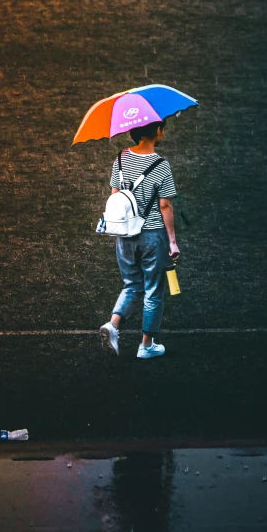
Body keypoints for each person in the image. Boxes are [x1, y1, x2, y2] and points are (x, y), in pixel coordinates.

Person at [99, 120, 179, 359]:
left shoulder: (121, 158)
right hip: (152, 236)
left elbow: (115, 197)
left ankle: (113, 325)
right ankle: (146, 345)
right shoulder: (161, 166)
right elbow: (165, 205)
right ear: (157, 132)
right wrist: (172, 241)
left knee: (132, 285)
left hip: (125, 235)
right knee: (153, 290)